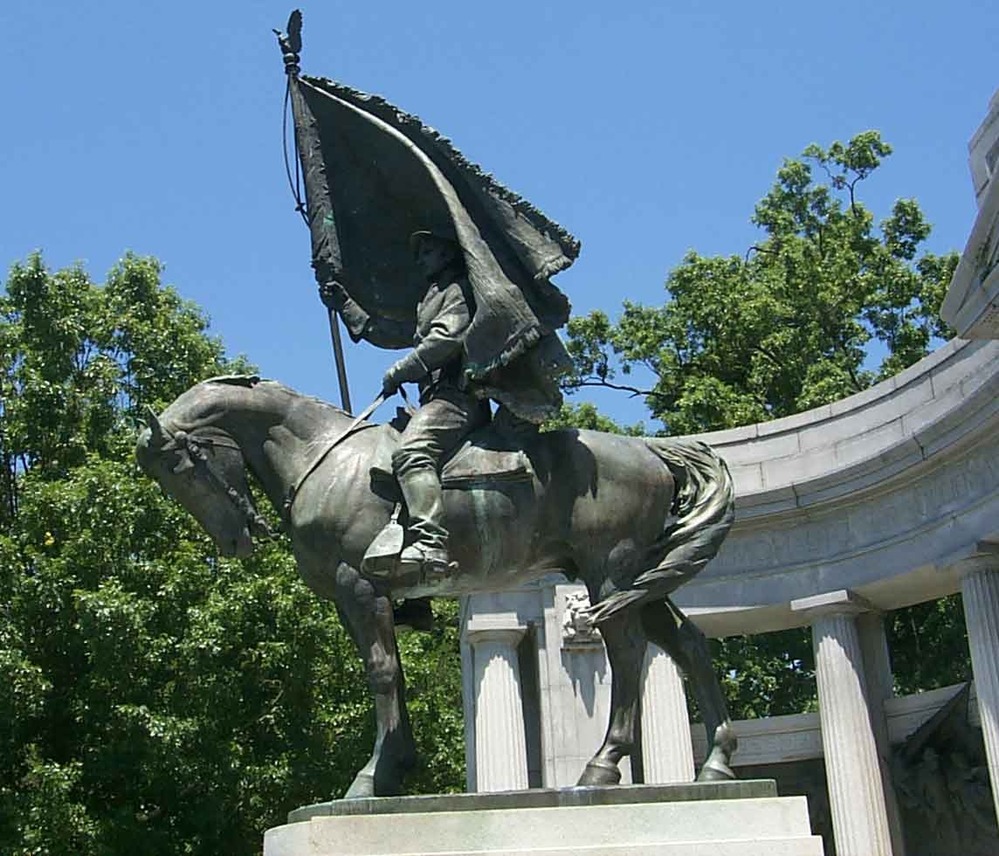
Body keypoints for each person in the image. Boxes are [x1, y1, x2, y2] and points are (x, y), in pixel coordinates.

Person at [322, 230, 489, 585]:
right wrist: (346, 305)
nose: (420, 259)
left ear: (448, 253)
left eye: (428, 250)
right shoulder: (430, 297)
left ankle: (431, 544)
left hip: (456, 398)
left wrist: (401, 370)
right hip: (433, 400)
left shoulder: (460, 291)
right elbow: (391, 331)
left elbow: (447, 339)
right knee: (381, 462)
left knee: (412, 453)